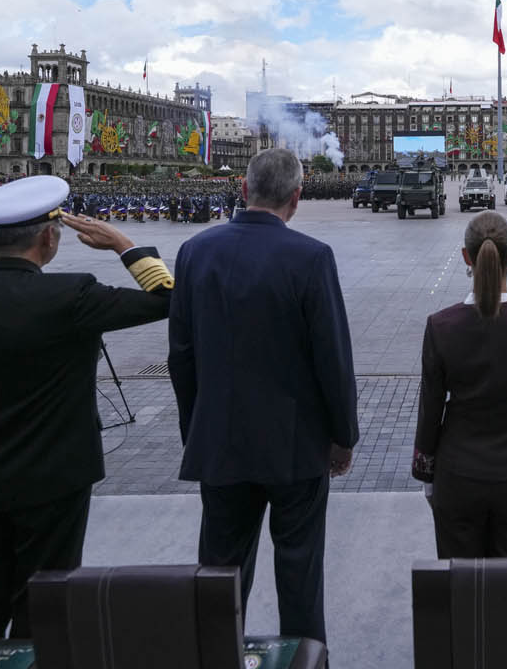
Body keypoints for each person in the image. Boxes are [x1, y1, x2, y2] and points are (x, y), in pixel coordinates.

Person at [0, 175, 174, 640]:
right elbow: (169, 299)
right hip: (57, 482)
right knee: (47, 609)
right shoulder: (73, 296)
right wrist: (122, 244)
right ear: (49, 237)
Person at [168, 147, 358, 645]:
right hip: (296, 448)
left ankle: (217, 657)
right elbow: (333, 359)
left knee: (220, 577)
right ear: (297, 197)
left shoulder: (194, 252)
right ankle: (305, 658)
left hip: (220, 443)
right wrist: (343, 436)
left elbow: (181, 357)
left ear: (243, 189)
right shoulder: (311, 257)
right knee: (300, 577)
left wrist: (197, 431)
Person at [412, 212, 507, 557]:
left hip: (457, 478)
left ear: (465, 257)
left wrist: (426, 476)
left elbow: (430, 411)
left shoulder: (440, 326)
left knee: (461, 585)